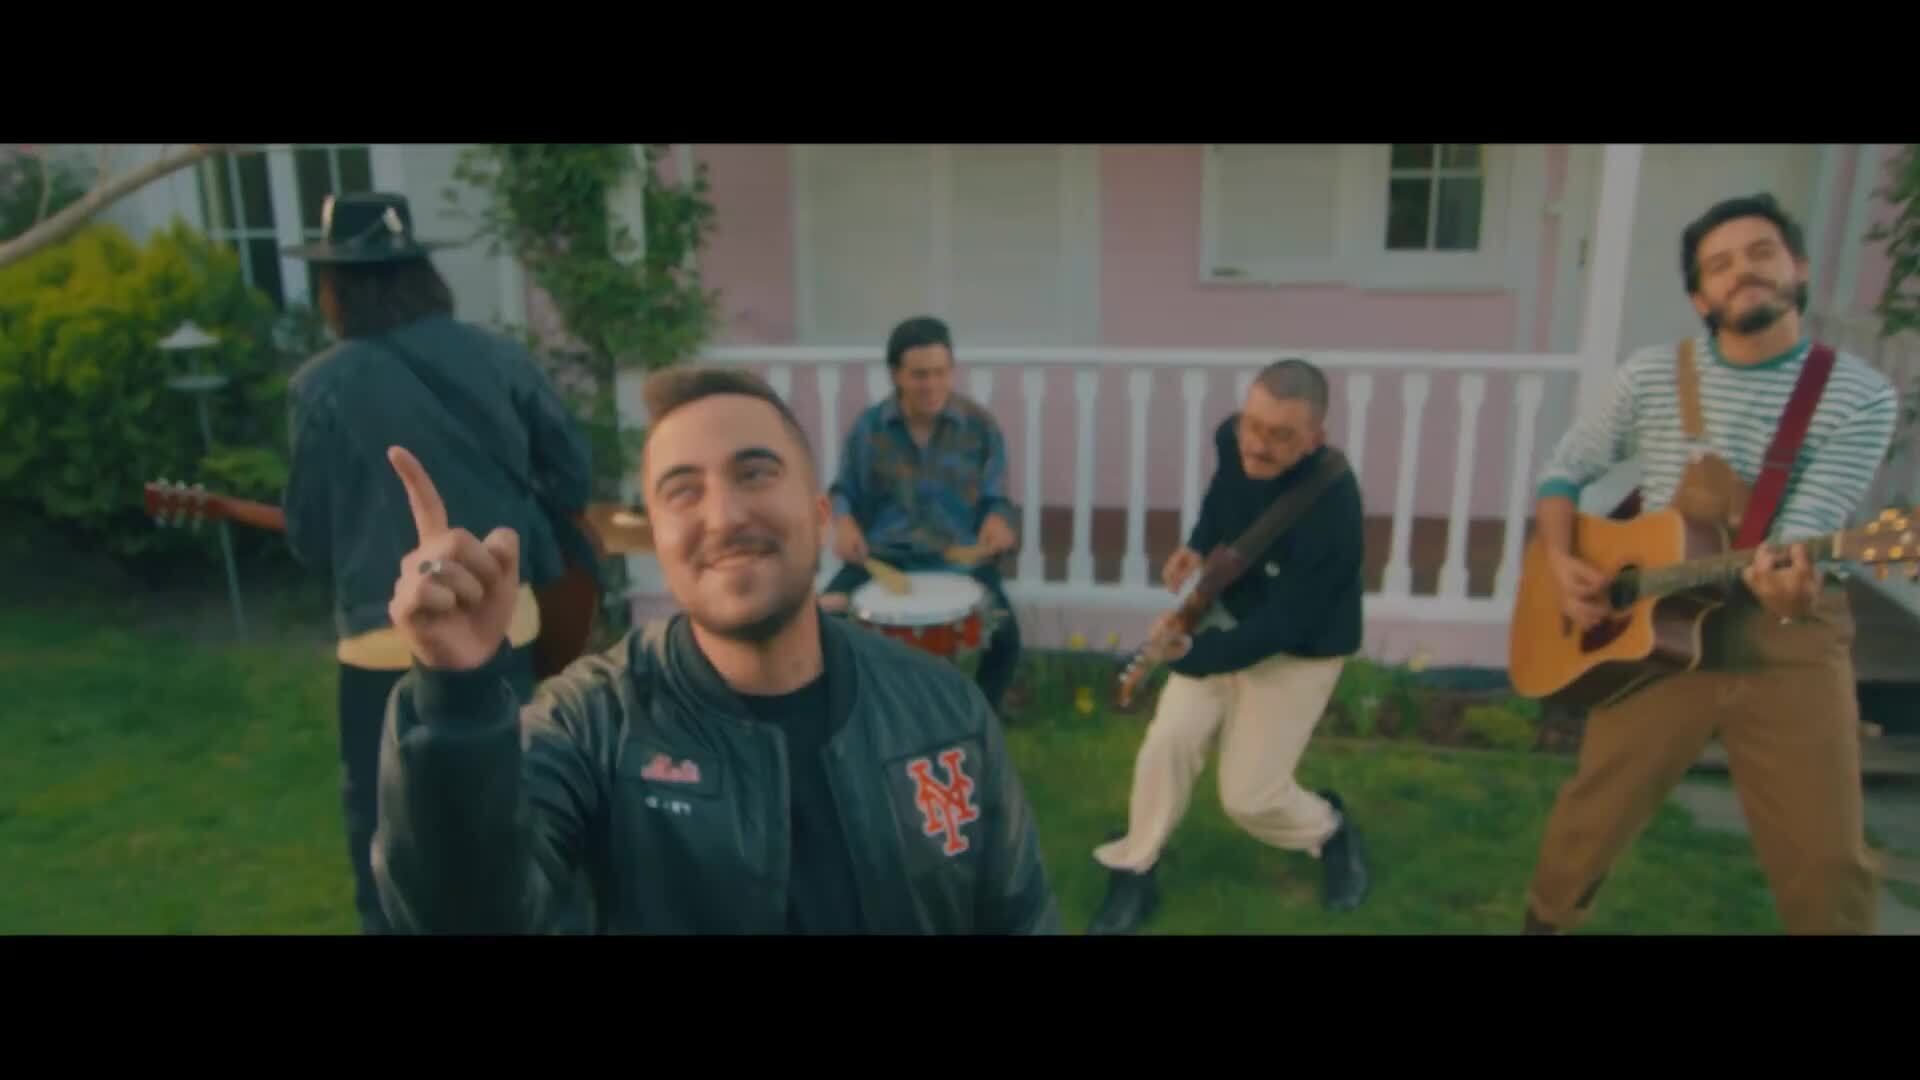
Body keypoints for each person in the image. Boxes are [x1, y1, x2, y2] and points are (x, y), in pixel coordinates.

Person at [368, 366, 1061, 934]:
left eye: (755, 473)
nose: (725, 517)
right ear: (657, 538)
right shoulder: (593, 724)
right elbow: (467, 918)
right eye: (683, 491)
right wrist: (455, 696)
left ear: (820, 515)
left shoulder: (943, 713)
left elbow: (1019, 917)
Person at [1523, 192, 1899, 935]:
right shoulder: (1650, 376)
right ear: (1700, 297)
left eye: (1761, 253)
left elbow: (1807, 531)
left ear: (1797, 268)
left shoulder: (1859, 395)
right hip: (1654, 633)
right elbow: (1565, 470)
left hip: (1785, 639)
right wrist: (1561, 560)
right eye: (1720, 265)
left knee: (1829, 858)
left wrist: (1791, 594)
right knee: (1589, 820)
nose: (1742, 272)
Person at [279, 192, 596, 935]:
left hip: (383, 638)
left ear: (335, 287)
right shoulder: (500, 357)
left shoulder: (321, 385)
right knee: (510, 809)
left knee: (389, 840)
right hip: (505, 623)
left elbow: (309, 538)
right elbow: (571, 477)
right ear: (422, 273)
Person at [1085, 359, 1372, 935]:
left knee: (1250, 797)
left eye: (1280, 435)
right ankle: (1136, 866)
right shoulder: (1233, 439)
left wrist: (1191, 655)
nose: (1258, 445)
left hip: (1300, 648)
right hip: (1230, 614)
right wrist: (1197, 545)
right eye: (1253, 426)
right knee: (1170, 740)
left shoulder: (1335, 510)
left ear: (1315, 439)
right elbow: (1225, 496)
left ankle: (1330, 830)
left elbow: (1282, 626)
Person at [818, 316, 1023, 716]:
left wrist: (998, 522)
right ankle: (856, 719)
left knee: (1005, 639)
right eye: (920, 375)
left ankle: (977, 721)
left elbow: (997, 499)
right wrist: (843, 522)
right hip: (884, 559)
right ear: (896, 375)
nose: (932, 385)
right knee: (825, 627)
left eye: (941, 373)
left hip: (958, 561)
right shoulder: (869, 429)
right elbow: (843, 491)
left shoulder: (980, 427)